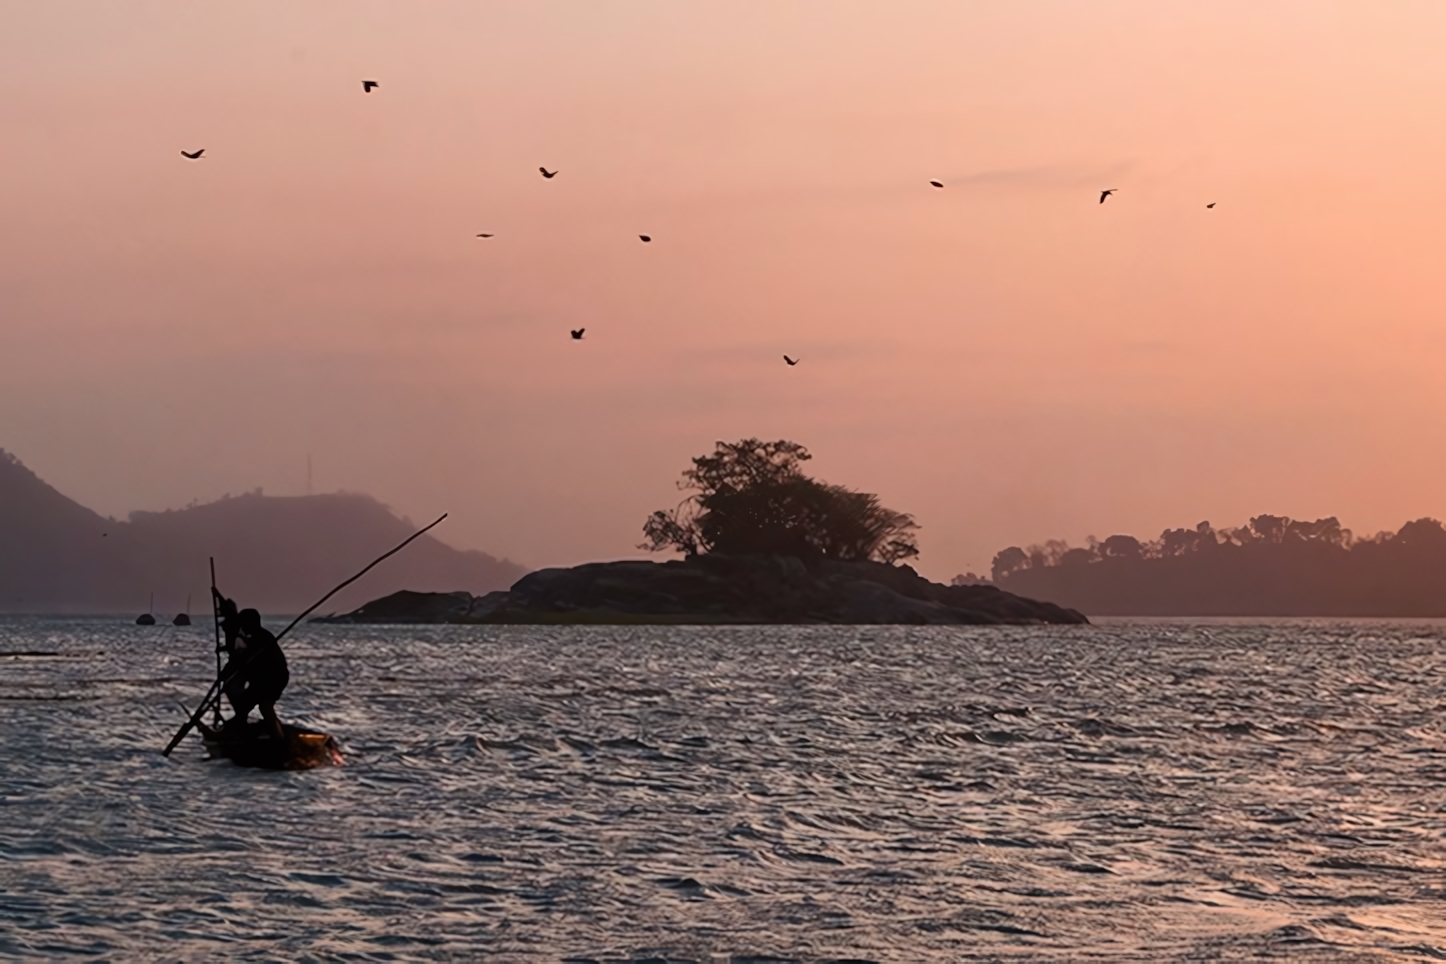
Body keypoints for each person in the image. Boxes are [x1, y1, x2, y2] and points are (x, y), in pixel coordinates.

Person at [213, 591, 289, 739]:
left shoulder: (262, 637)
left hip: (273, 679)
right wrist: (216, 594)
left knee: (265, 707)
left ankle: (279, 740)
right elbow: (237, 657)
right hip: (259, 680)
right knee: (244, 707)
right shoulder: (244, 635)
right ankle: (244, 735)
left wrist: (230, 667)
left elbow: (241, 658)